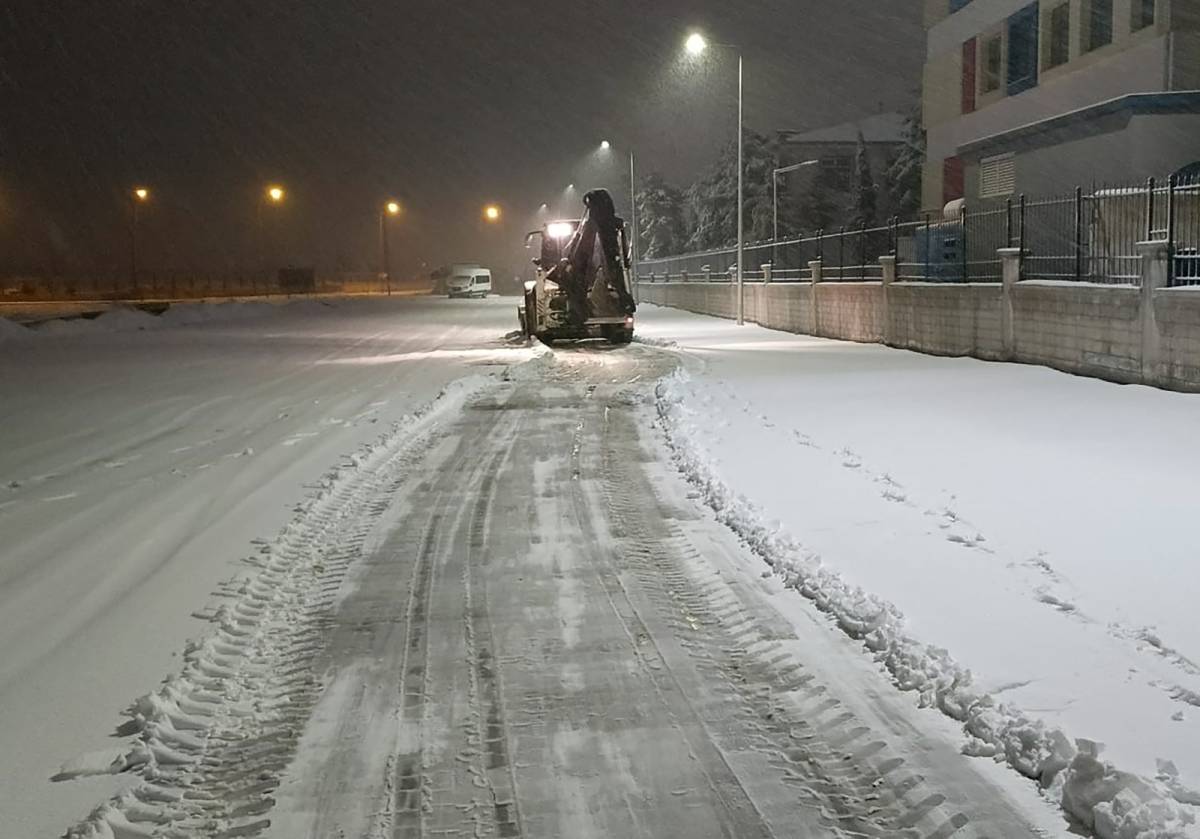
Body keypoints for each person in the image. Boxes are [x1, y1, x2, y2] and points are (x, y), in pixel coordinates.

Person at [552, 188, 636, 325]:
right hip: (596, 276)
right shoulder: (607, 230)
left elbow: (583, 257)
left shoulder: (591, 232)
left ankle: (580, 310)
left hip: (587, 282)